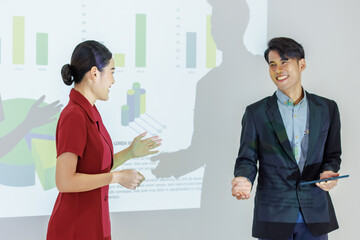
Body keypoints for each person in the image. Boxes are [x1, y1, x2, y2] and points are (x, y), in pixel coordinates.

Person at [47, 40, 161, 240]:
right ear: (94, 73)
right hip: (75, 229)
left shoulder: (90, 111)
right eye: (112, 72)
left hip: (94, 225)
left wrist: (130, 152)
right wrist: (116, 177)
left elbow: (94, 168)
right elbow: (64, 181)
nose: (113, 81)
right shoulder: (74, 115)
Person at [231, 37, 341, 240]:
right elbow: (246, 158)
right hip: (273, 214)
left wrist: (329, 172)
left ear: (302, 64)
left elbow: (333, 154)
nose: (278, 69)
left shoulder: (327, 108)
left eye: (284, 62)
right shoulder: (256, 112)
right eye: (272, 64)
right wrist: (244, 178)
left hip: (314, 213)